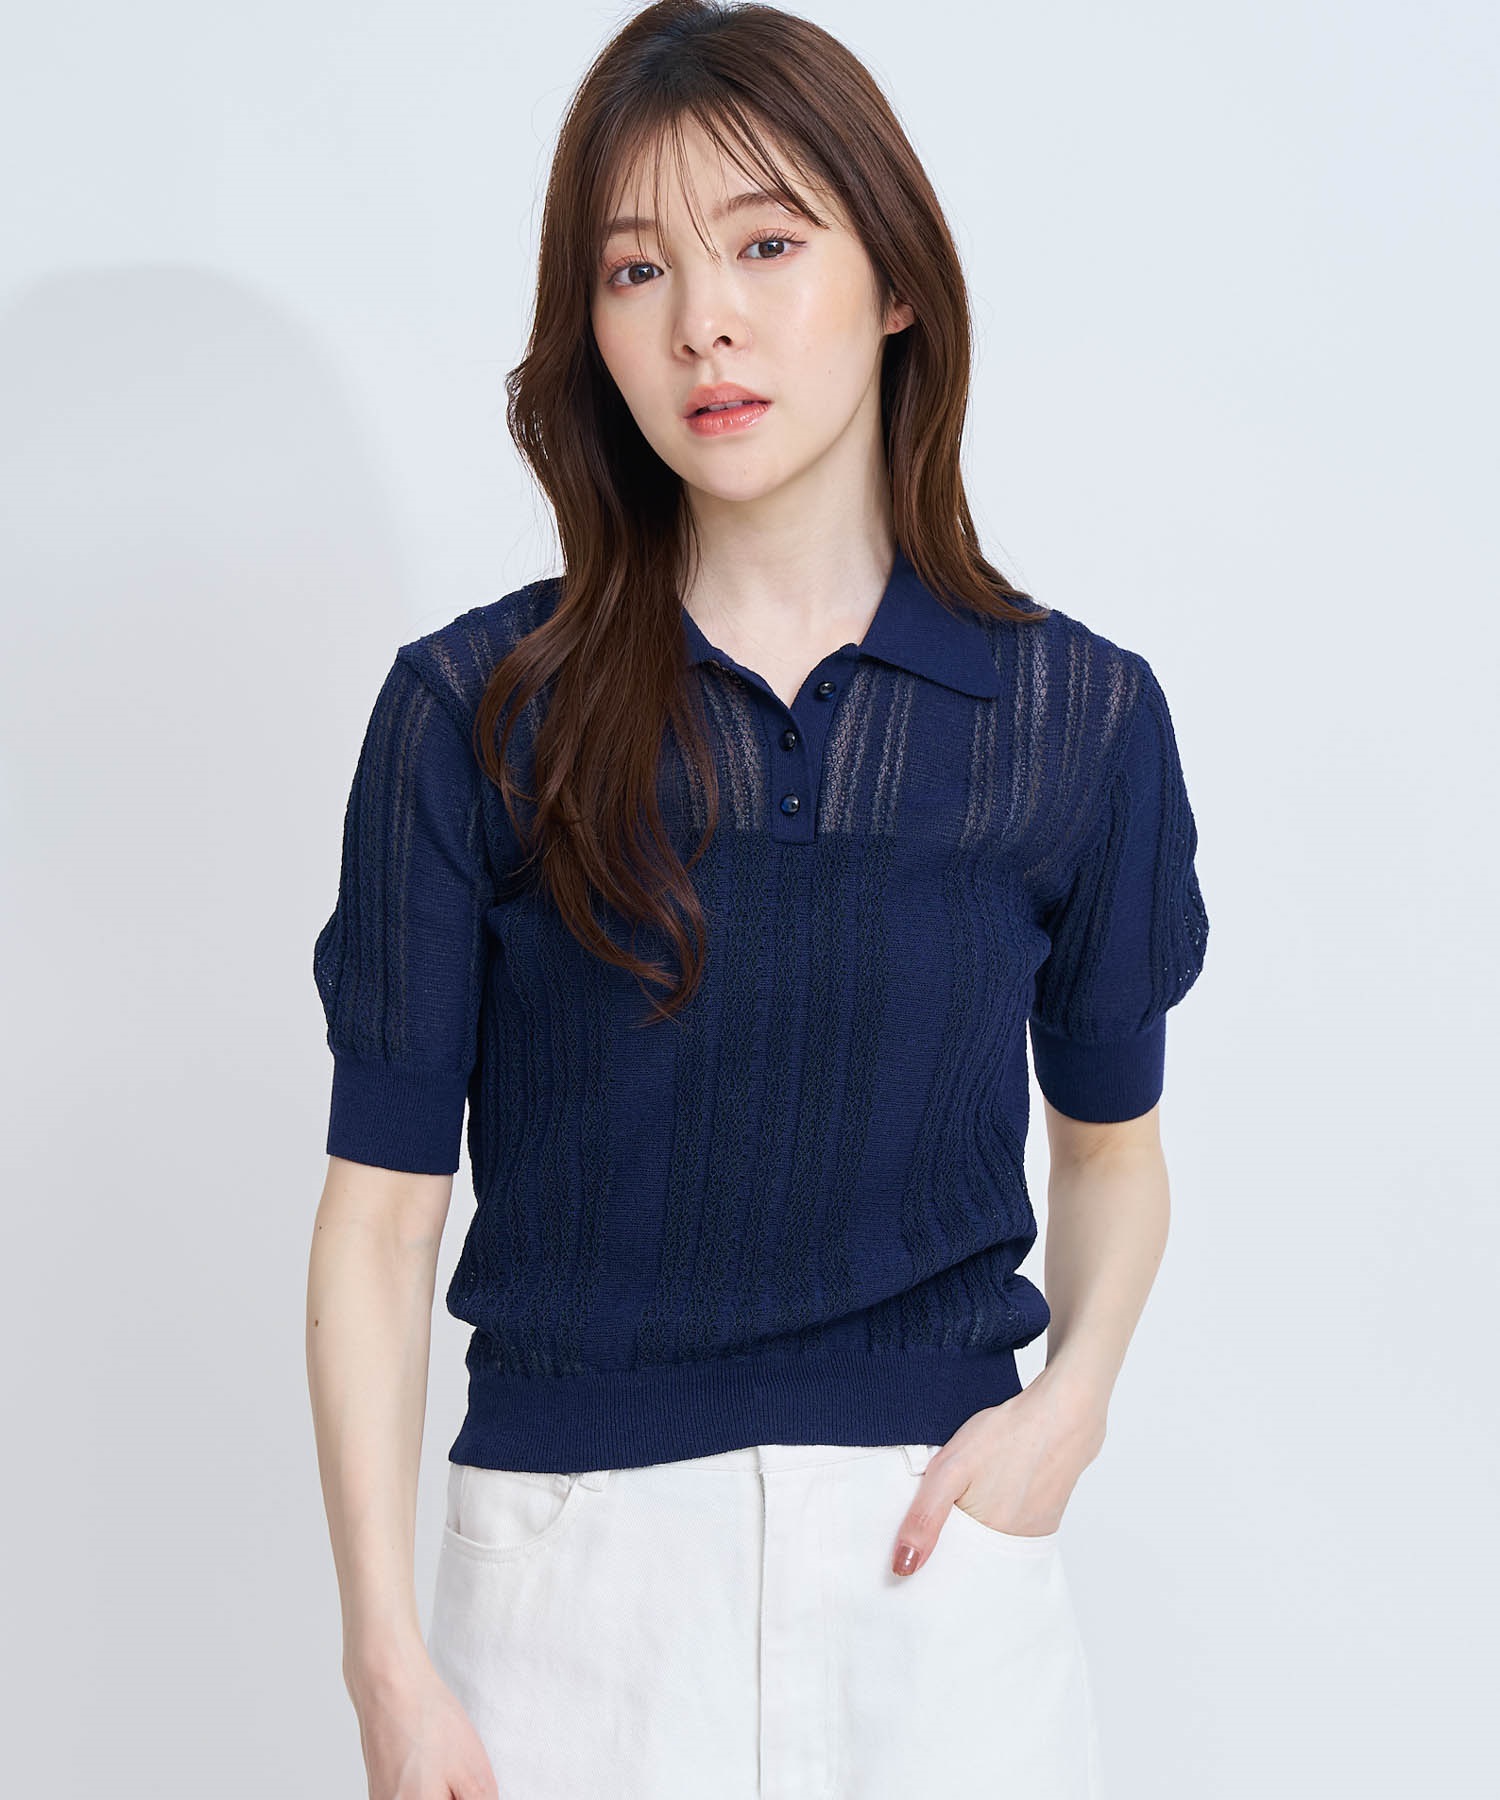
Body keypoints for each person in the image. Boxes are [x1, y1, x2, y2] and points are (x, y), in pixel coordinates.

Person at [306, 2, 1211, 1795]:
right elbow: (381, 1221)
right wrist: (384, 1660)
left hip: (934, 1581)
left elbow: (1111, 1151)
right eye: (635, 270)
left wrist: (1073, 1405)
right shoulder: (476, 713)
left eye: (767, 245)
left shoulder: (1074, 717)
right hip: (569, 1593)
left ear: (898, 282)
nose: (700, 322)